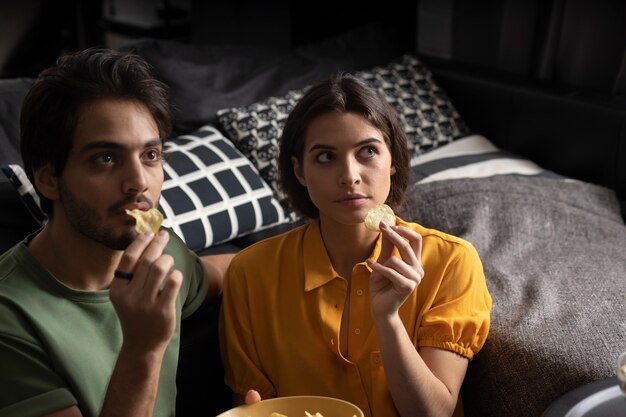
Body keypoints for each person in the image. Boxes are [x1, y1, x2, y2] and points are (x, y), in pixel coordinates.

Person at [219, 73, 492, 417]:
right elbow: (251, 406)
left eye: (367, 152)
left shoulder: (451, 262)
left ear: (392, 161)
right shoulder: (250, 273)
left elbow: (434, 414)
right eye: (324, 157)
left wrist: (388, 318)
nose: (349, 175)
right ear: (299, 171)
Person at [0, 48, 234, 417]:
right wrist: (142, 347)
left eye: (150, 156)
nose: (138, 182)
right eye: (106, 158)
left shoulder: (160, 256)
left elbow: (226, 271)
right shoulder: (9, 317)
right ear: (47, 178)